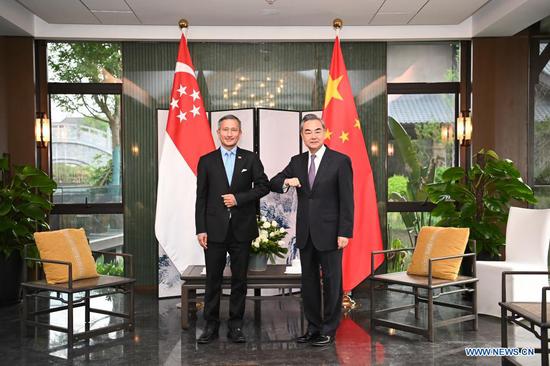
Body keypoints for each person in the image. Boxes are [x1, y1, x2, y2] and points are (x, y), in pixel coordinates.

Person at [270, 113, 354, 346]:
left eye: (317, 130)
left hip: (332, 234)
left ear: (325, 132)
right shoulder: (296, 162)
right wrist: (288, 181)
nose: (313, 135)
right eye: (308, 131)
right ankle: (313, 327)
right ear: (302, 135)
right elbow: (273, 181)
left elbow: (347, 200)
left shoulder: (340, 160)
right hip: (306, 234)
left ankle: (329, 328)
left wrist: (344, 232)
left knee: (332, 283)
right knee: (308, 285)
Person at [195, 114, 269, 344]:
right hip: (214, 230)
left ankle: (236, 326)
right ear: (218, 132)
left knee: (239, 281)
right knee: (213, 281)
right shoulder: (206, 160)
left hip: (242, 230)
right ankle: (210, 326)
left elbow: (264, 186)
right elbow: (201, 198)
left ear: (240, 133)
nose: (229, 133)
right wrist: (201, 229)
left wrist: (239, 198)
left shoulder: (250, 159)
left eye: (234, 129)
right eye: (225, 129)